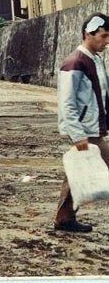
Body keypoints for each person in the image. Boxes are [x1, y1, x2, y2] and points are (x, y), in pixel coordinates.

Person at [55, 12, 109, 233]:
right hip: (86, 131)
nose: (107, 41)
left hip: (95, 127)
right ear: (88, 33)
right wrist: (78, 135)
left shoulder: (95, 59)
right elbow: (66, 103)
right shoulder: (75, 63)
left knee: (75, 173)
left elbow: (102, 95)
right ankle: (64, 218)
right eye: (103, 36)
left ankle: (64, 218)